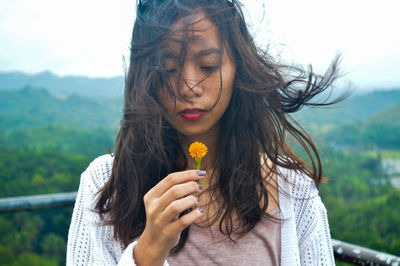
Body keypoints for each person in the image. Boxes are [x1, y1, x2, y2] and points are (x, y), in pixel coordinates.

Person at [67, 0, 341, 265]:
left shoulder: (292, 190)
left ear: (238, 68)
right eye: (168, 69)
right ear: (146, 77)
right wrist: (148, 253)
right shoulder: (106, 185)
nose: (188, 87)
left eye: (208, 66)